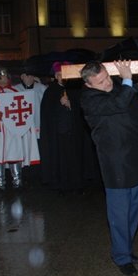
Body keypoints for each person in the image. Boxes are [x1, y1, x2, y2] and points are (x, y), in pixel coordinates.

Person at [79, 60, 138, 276]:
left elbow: (132, 106)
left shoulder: (116, 89)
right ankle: (121, 257)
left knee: (134, 209)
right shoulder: (88, 99)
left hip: (135, 158)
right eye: (100, 81)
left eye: (107, 76)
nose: (107, 82)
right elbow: (117, 105)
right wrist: (127, 79)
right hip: (115, 163)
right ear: (89, 85)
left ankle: (126, 249)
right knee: (119, 214)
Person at [0, 68, 40, 190]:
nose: (3, 78)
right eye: (0, 76)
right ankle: (0, 183)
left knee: (14, 152)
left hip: (14, 129)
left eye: (5, 75)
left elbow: (24, 111)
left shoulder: (15, 91)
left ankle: (17, 181)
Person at [39, 61, 86, 194]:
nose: (62, 77)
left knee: (75, 158)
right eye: (59, 74)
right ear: (55, 76)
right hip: (58, 133)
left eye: (64, 75)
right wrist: (59, 104)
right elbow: (47, 113)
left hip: (74, 131)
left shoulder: (74, 90)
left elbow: (82, 109)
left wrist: (70, 104)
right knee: (60, 160)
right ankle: (62, 184)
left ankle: (76, 184)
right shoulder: (50, 92)